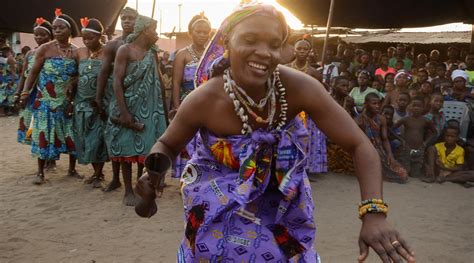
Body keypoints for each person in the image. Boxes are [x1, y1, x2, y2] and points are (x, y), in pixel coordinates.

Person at [135, 3, 415, 262]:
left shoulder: (299, 88)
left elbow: (358, 144)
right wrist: (154, 173)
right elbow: (167, 144)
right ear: (226, 43)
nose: (263, 52)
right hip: (217, 204)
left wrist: (374, 214)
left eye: (273, 44)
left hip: (283, 201)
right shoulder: (205, 99)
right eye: (249, 40)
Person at [105, 14, 167, 205]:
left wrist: (164, 109)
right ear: (143, 30)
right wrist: (124, 112)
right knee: (126, 149)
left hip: (149, 108)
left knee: (145, 150)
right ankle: (128, 191)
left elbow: (160, 82)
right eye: (153, 30)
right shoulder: (125, 50)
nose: (156, 34)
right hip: (127, 105)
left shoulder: (151, 53)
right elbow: (116, 81)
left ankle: (142, 186)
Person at [21, 9, 82, 184]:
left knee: (71, 134)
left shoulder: (77, 52)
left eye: (60, 28)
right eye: (54, 28)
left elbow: (80, 73)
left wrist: (73, 84)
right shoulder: (45, 49)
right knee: (43, 134)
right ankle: (40, 173)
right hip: (45, 100)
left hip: (67, 101)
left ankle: (72, 169)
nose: (56, 31)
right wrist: (25, 92)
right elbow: (32, 73)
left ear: (69, 31)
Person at [94, 7, 138, 192]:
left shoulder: (143, 43)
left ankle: (140, 181)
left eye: (131, 18)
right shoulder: (113, 45)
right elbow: (103, 72)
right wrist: (98, 99)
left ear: (138, 20)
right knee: (116, 138)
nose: (127, 21)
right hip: (116, 96)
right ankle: (115, 179)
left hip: (138, 97)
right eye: (124, 18)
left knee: (139, 138)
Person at [171, 13, 212, 178]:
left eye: (206, 32)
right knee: (188, 140)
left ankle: (205, 176)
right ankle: (187, 178)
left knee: (207, 141)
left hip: (209, 105)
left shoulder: (213, 55)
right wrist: (177, 107)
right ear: (190, 33)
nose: (202, 35)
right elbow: (175, 82)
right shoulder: (182, 55)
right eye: (198, 31)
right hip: (188, 104)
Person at [72, 18, 108, 188]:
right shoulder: (79, 53)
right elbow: (74, 74)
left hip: (99, 104)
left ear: (100, 36)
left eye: (90, 38)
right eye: (84, 38)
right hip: (81, 103)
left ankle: (99, 173)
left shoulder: (108, 52)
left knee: (98, 139)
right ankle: (96, 172)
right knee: (85, 138)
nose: (86, 42)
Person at [289, 36, 327, 177]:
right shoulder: (286, 68)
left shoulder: (313, 72)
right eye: (299, 48)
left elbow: (319, 92)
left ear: (310, 52)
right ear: (294, 50)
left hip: (307, 111)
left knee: (307, 139)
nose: (302, 51)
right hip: (290, 110)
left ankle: (306, 169)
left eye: (305, 49)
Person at [356, 93, 408, 184]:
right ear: (366, 104)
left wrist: (390, 155)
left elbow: (385, 139)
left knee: (402, 173)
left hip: (379, 150)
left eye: (378, 103)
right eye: (374, 104)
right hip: (365, 151)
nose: (377, 106)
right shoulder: (359, 120)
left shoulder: (381, 119)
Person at [16, 18, 53, 145]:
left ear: (50, 35)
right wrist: (18, 93)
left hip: (47, 93)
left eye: (43, 34)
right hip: (32, 94)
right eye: (36, 34)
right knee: (33, 122)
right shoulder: (30, 54)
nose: (39, 37)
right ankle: (40, 148)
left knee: (47, 124)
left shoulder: (53, 53)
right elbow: (23, 76)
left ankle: (49, 156)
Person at [393, 96, 436, 178]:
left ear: (423, 108)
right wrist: (401, 140)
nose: (416, 108)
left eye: (419, 106)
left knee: (415, 175)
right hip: (407, 148)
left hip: (419, 149)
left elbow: (434, 132)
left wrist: (425, 143)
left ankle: (425, 167)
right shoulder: (405, 119)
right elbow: (392, 130)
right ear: (409, 107)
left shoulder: (425, 120)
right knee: (406, 171)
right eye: (414, 105)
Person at [327, 76, 355, 174]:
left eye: (347, 86)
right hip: (329, 134)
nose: (346, 88)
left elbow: (353, 117)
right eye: (342, 86)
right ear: (334, 86)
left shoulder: (349, 101)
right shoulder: (327, 99)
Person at [0, 46, 17, 116]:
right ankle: (7, 111)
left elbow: (13, 71)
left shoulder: (10, 58)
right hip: (6, 78)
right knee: (8, 95)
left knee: (4, 95)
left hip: (8, 79)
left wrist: (12, 80)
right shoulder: (9, 58)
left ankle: (3, 112)